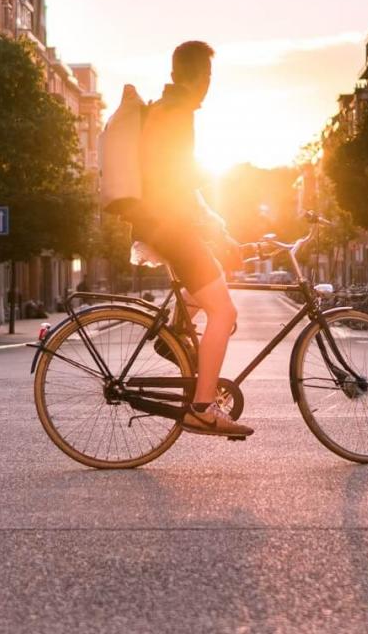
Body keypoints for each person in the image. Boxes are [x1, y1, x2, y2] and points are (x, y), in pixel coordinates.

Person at [134, 41, 250, 438]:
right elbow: (178, 182)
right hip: (168, 226)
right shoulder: (178, 113)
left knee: (215, 277)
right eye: (208, 77)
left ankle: (174, 335)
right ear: (201, 77)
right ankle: (201, 407)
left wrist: (216, 226)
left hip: (159, 223)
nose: (209, 85)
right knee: (225, 313)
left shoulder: (164, 108)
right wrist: (213, 227)